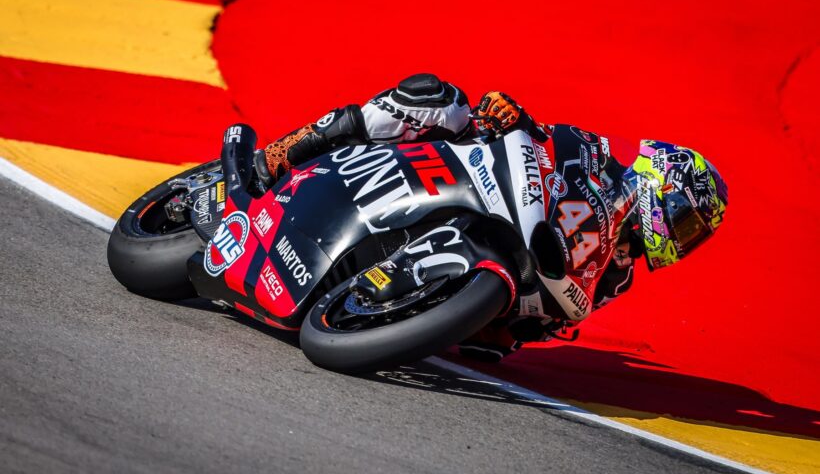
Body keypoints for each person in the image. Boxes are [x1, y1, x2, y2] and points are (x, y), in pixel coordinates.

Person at [254, 73, 729, 362]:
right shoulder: (599, 157)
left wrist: (517, 327)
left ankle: (395, 293)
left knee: (495, 346)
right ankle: (287, 151)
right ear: (661, 183)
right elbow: (547, 139)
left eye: (692, 236)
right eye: (686, 221)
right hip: (473, 176)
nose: (682, 238)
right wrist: (513, 118)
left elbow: (552, 325)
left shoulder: (619, 277)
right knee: (439, 99)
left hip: (496, 273)